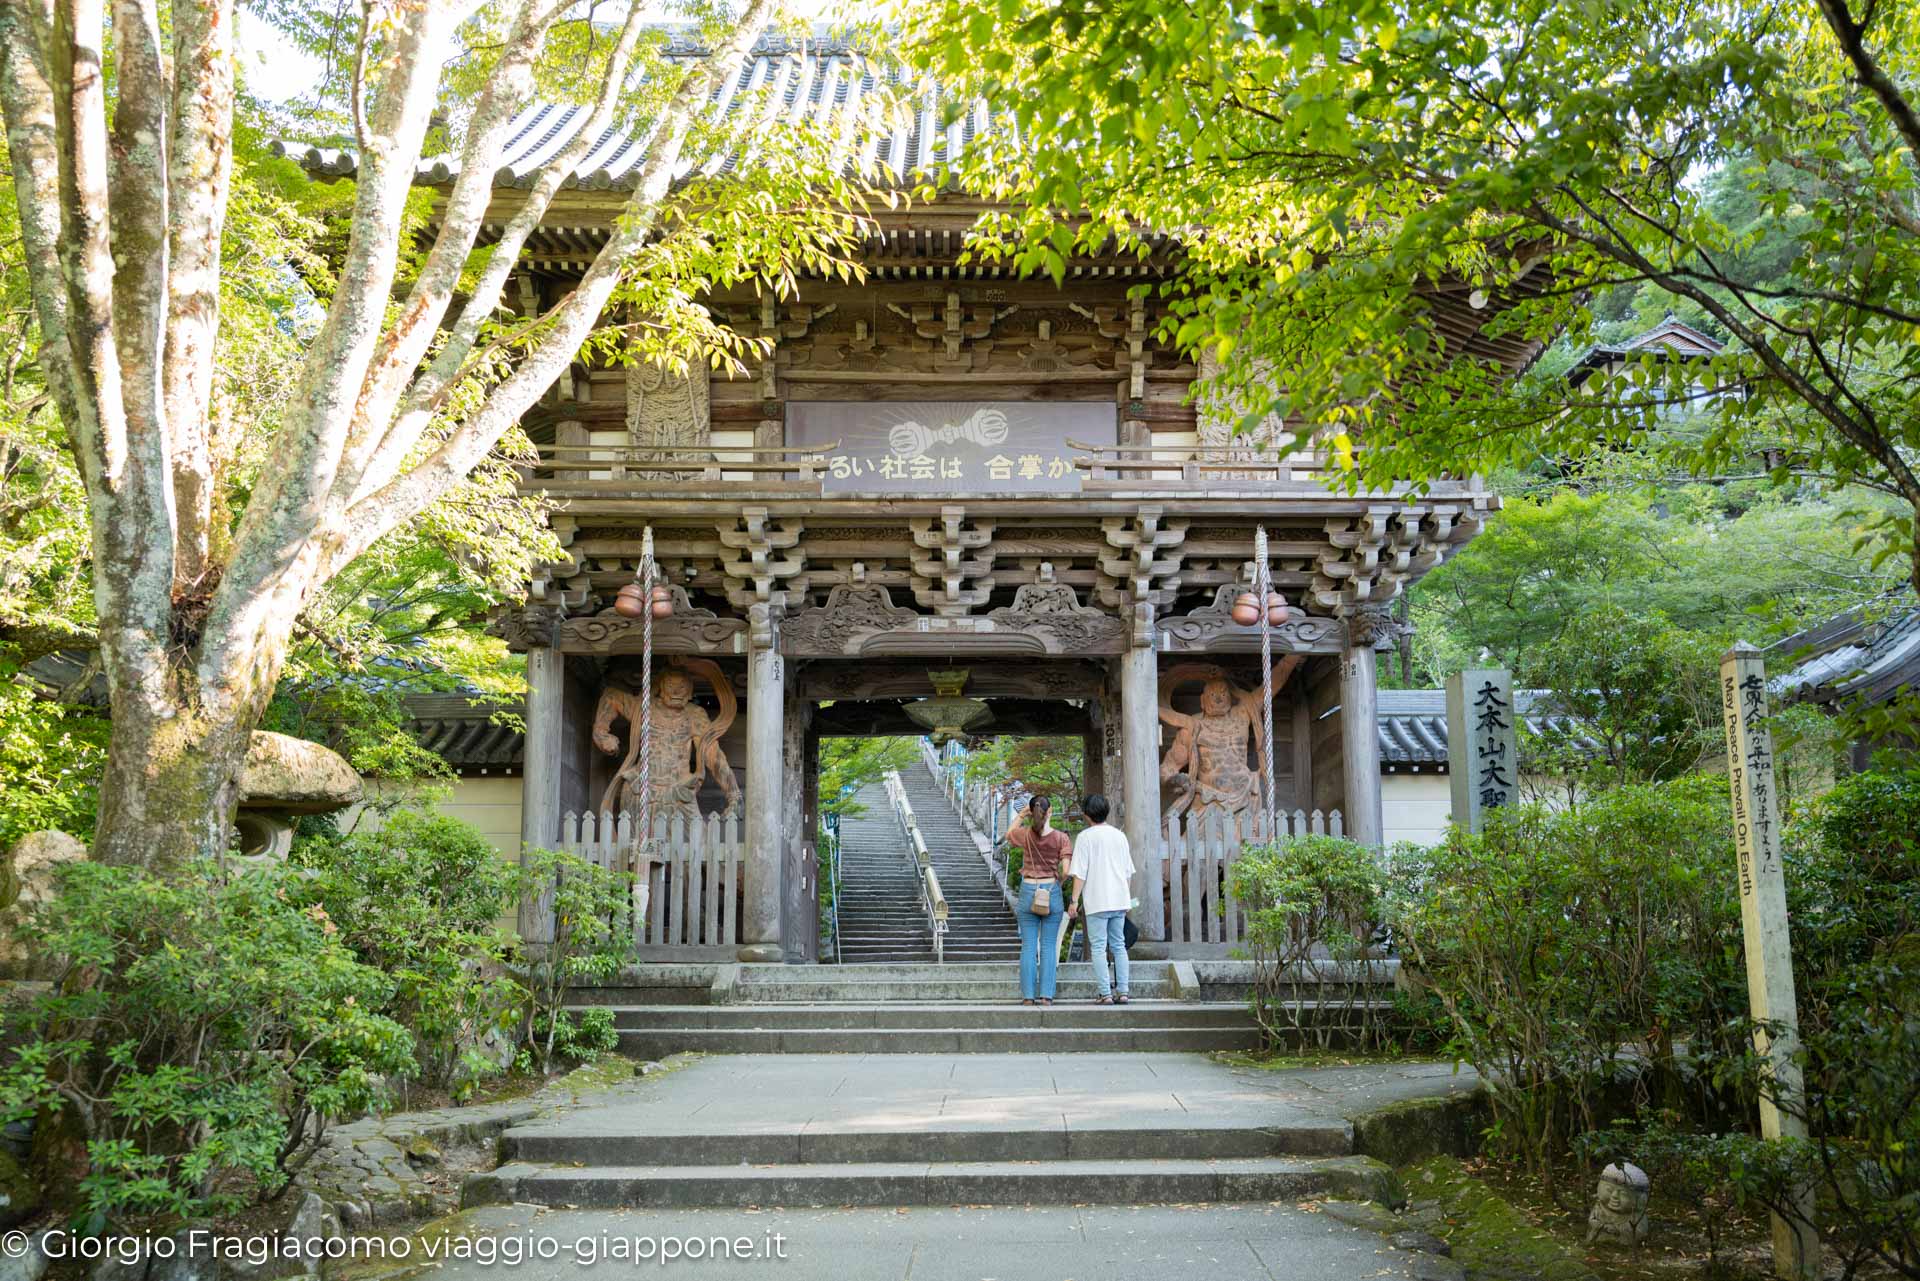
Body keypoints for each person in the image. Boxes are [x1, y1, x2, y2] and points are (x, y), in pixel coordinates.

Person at [1064, 794, 1134, 1004]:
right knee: (1119, 946)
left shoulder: (1086, 837)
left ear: (1086, 814)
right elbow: (1128, 872)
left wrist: (1074, 901)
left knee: (1098, 947)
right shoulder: (1119, 836)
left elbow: (1080, 874)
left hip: (1097, 901)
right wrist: (1125, 897)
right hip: (1119, 899)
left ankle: (1105, 993)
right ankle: (1123, 992)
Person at [1005, 795, 1073, 1005]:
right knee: (1049, 945)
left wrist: (1022, 815)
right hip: (1050, 890)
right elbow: (1066, 870)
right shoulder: (1061, 838)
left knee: (1028, 945)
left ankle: (1027, 997)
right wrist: (1058, 882)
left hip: (1028, 889)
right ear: (1049, 811)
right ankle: (1046, 996)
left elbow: (1008, 834)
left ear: (1032, 812)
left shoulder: (1025, 835)